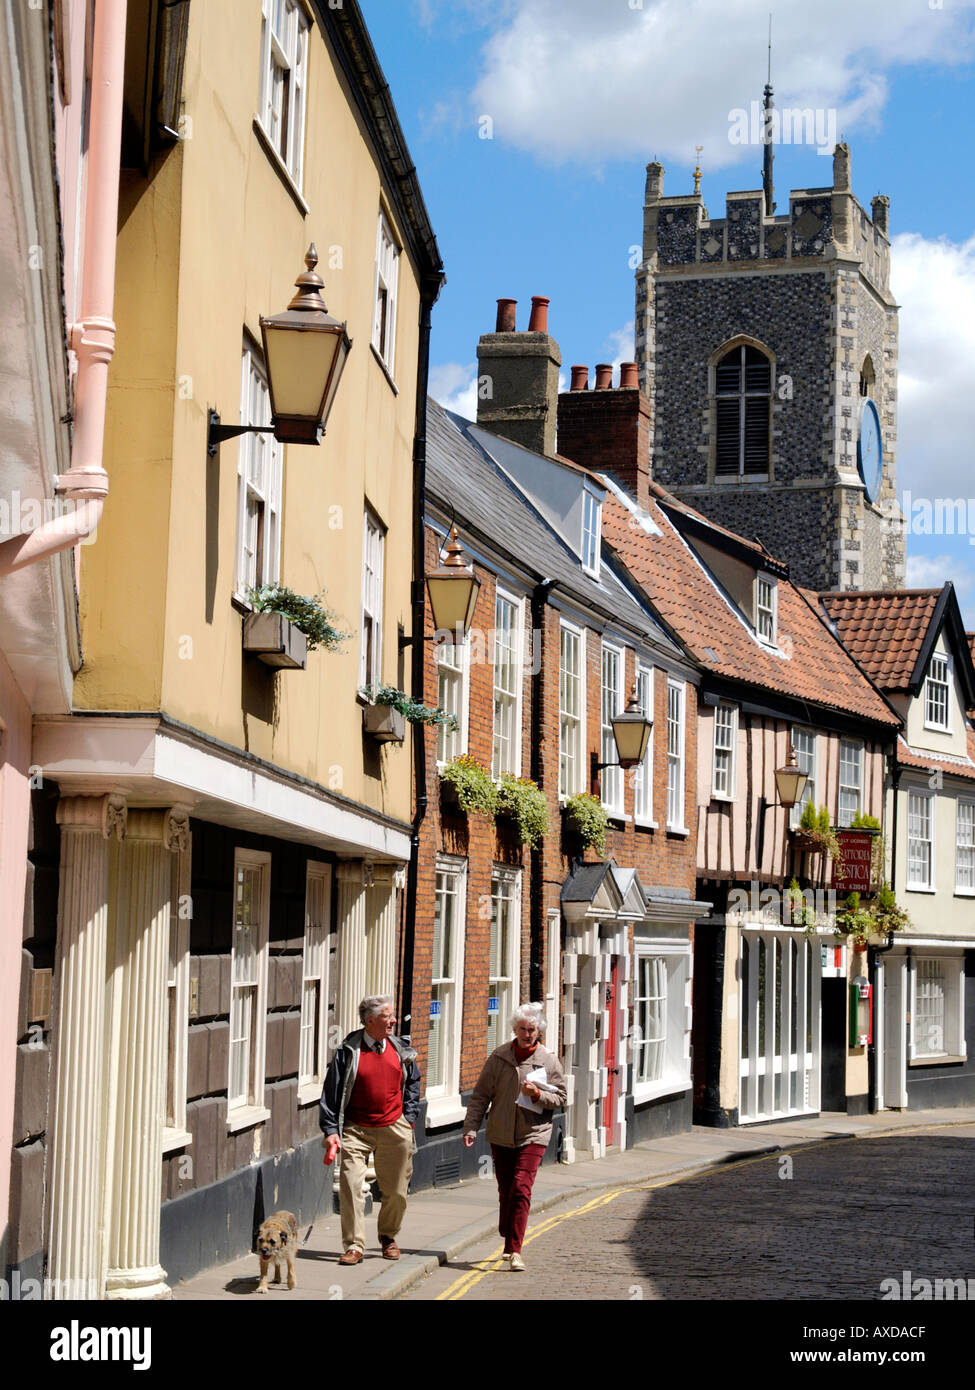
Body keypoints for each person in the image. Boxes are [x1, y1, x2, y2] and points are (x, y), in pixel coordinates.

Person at [463, 1002, 566, 1271]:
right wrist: (471, 1127)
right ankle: (508, 1235)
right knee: (506, 1189)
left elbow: (562, 1097)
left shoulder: (548, 1060)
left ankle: (516, 1250)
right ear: (515, 1029)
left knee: (521, 1188)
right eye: (522, 1029)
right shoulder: (499, 1058)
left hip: (534, 1133)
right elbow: (481, 1096)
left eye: (532, 1029)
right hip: (500, 1132)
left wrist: (538, 1095)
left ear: (539, 1031)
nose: (527, 1034)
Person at [320, 995, 420, 1265]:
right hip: (355, 1129)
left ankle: (388, 1236)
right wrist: (331, 1130)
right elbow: (331, 1093)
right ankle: (354, 1245)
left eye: (392, 1016)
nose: (394, 1021)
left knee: (397, 1191)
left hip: (394, 1126)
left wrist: (409, 1118)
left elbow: (413, 1083)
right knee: (350, 1184)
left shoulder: (401, 1049)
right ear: (370, 1020)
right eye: (388, 1016)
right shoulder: (347, 1051)